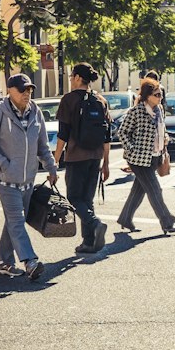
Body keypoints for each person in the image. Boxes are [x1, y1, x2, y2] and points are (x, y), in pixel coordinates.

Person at [0, 73, 57, 281]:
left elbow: (42, 145)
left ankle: (3, 263)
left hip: (28, 180)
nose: (27, 93)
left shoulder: (35, 112)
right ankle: (30, 261)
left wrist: (51, 167)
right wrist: (2, 164)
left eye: (30, 89)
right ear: (10, 91)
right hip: (5, 180)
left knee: (13, 222)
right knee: (16, 219)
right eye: (22, 89)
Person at [54, 63, 111, 255]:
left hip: (76, 156)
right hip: (95, 156)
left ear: (78, 77)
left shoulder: (69, 100)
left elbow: (63, 133)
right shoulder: (100, 100)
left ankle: (95, 224)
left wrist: (55, 159)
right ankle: (89, 242)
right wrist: (106, 163)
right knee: (87, 199)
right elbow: (107, 135)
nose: (70, 79)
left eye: (71, 76)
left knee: (73, 198)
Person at [116, 78, 175, 236]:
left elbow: (160, 130)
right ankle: (167, 221)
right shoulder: (136, 111)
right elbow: (122, 132)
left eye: (161, 94)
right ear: (147, 96)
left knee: (139, 190)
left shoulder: (159, 110)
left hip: (155, 157)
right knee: (155, 189)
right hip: (138, 159)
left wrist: (165, 138)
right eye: (157, 95)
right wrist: (131, 149)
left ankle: (125, 218)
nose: (160, 97)